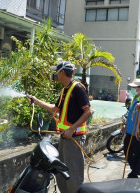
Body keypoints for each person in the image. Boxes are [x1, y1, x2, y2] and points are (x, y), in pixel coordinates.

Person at [29, 61, 93, 193]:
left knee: (73, 176)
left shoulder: (78, 89)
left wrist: (72, 128)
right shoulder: (65, 90)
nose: (55, 75)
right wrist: (36, 101)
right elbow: (54, 108)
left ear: (63, 72)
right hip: (65, 138)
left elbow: (88, 112)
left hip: (74, 139)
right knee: (62, 173)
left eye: (57, 72)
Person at [121, 78, 140, 178]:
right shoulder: (134, 99)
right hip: (129, 131)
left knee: (138, 154)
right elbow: (130, 113)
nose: (132, 89)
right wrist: (125, 124)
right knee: (127, 151)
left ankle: (134, 173)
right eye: (131, 87)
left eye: (134, 87)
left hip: (137, 133)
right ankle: (136, 169)